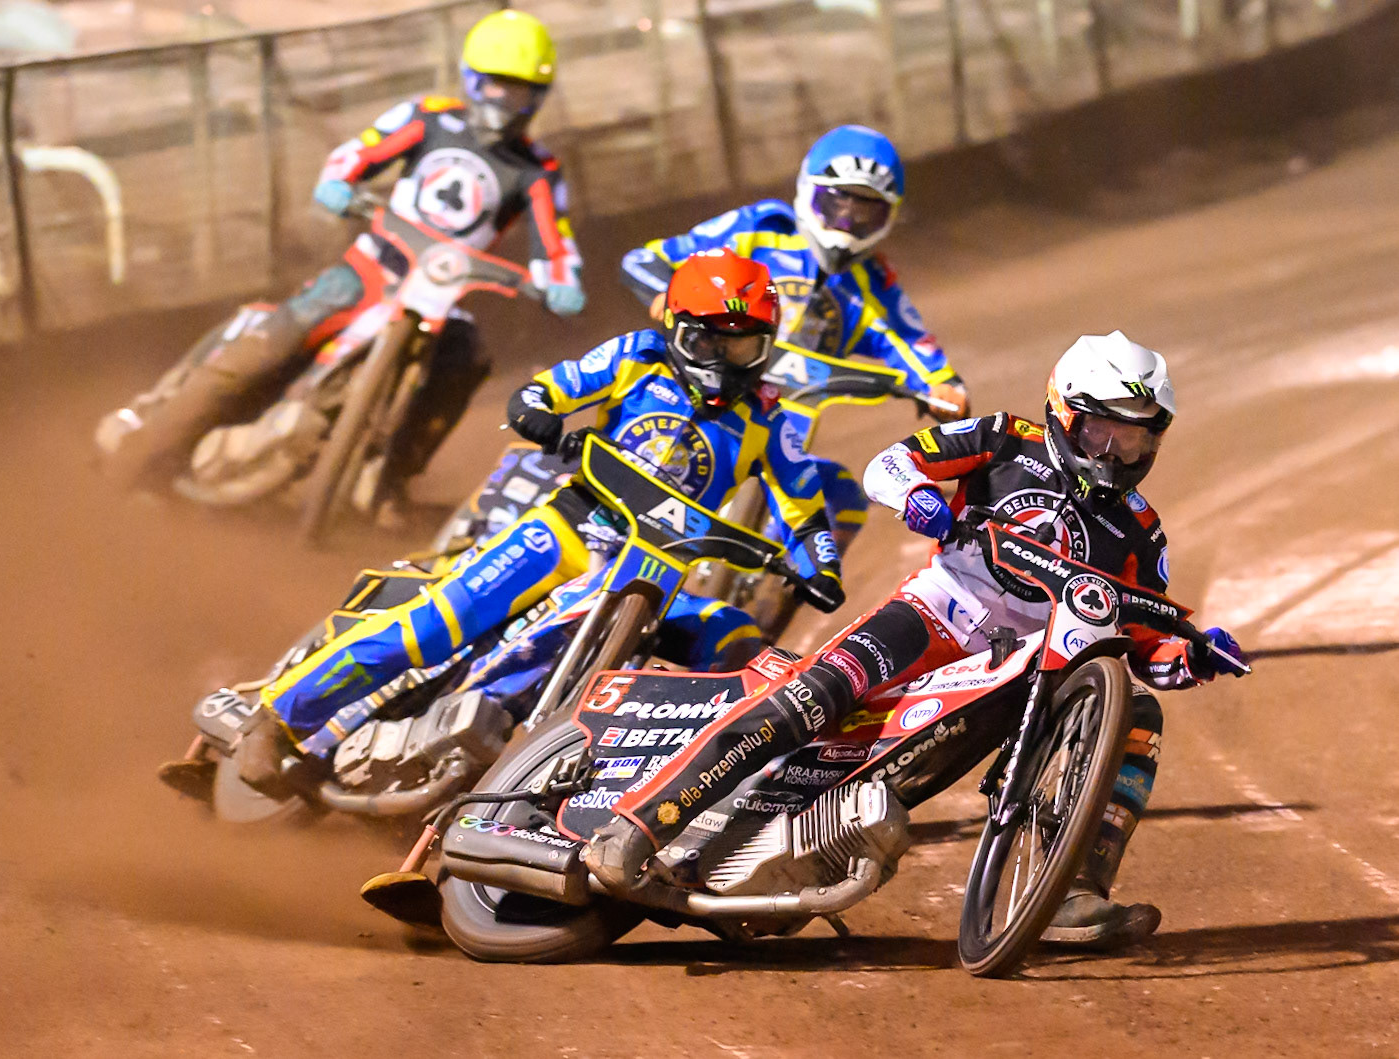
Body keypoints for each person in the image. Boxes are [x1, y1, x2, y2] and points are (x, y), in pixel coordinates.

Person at [583, 331, 1249, 948]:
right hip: (933, 613)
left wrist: (1189, 655)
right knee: (819, 690)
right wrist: (917, 498)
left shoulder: (1140, 531)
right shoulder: (1001, 438)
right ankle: (638, 824)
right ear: (1060, 410)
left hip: (1025, 667)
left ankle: (1072, 891)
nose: (1113, 452)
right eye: (1099, 429)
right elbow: (890, 464)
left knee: (1134, 712)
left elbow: (1140, 642)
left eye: (1132, 440)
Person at [228, 249, 846, 785]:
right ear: (678, 328)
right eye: (708, 338)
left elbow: (804, 507)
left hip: (659, 572)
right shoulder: (639, 356)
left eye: (740, 342)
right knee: (434, 625)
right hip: (570, 528)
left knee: (714, 649)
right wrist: (541, 416)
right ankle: (281, 717)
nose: (723, 357)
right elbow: (545, 391)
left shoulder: (770, 419)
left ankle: (661, 800)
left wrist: (819, 565)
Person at [202, 9, 585, 512]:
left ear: (537, 96)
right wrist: (339, 183)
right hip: (370, 270)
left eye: (517, 91)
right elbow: (357, 154)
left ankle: (389, 480)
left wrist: (561, 282)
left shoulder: (538, 169)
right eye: (496, 86)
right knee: (283, 333)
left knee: (466, 356)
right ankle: (169, 428)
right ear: (472, 79)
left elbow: (556, 240)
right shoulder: (429, 117)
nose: (505, 101)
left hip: (443, 297)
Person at [621, 124, 968, 547]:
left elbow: (909, 341)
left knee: (845, 502)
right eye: (836, 204)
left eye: (865, 213)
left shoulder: (872, 284)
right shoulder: (762, 228)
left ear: (888, 215)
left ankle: (774, 596)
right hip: (700, 377)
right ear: (808, 189)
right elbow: (648, 259)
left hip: (784, 416)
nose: (846, 223)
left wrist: (943, 384)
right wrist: (663, 289)